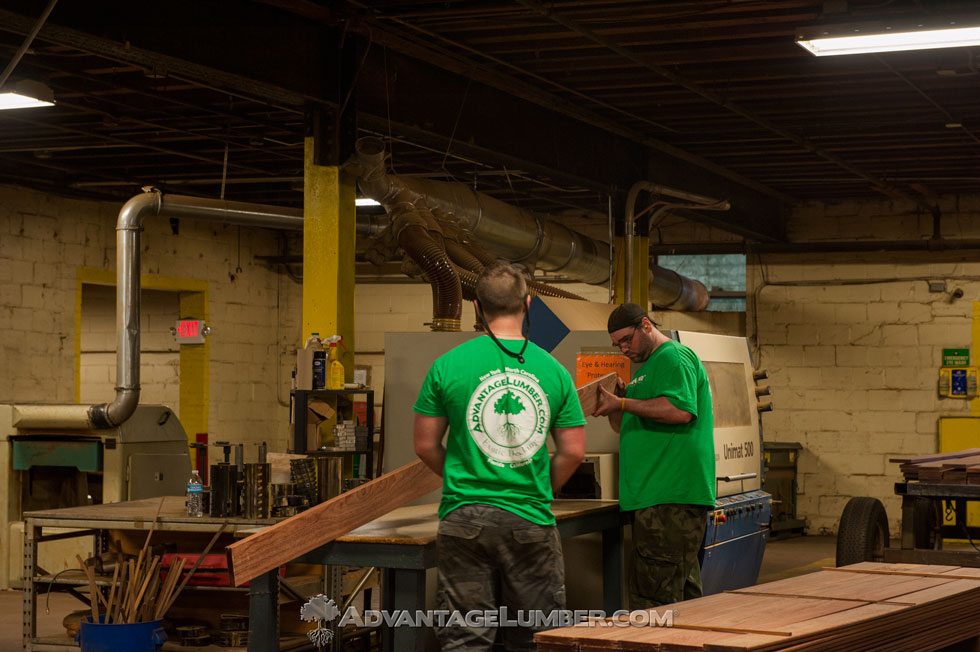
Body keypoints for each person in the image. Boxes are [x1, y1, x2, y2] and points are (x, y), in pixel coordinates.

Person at [413, 263, 586, 651]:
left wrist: (465, 476)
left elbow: (425, 445)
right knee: (537, 636)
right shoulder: (554, 371)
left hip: (463, 519)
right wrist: (538, 486)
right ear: (528, 304)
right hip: (529, 518)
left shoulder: (447, 366)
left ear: (476, 307)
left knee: (465, 638)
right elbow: (573, 451)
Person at [592, 302, 714, 610]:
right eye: (616, 344)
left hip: (669, 499)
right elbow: (623, 426)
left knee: (654, 606)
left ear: (646, 326)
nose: (623, 349)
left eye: (625, 340)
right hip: (654, 500)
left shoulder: (673, 357)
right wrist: (619, 399)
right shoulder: (643, 373)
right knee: (678, 600)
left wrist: (622, 404)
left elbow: (680, 410)